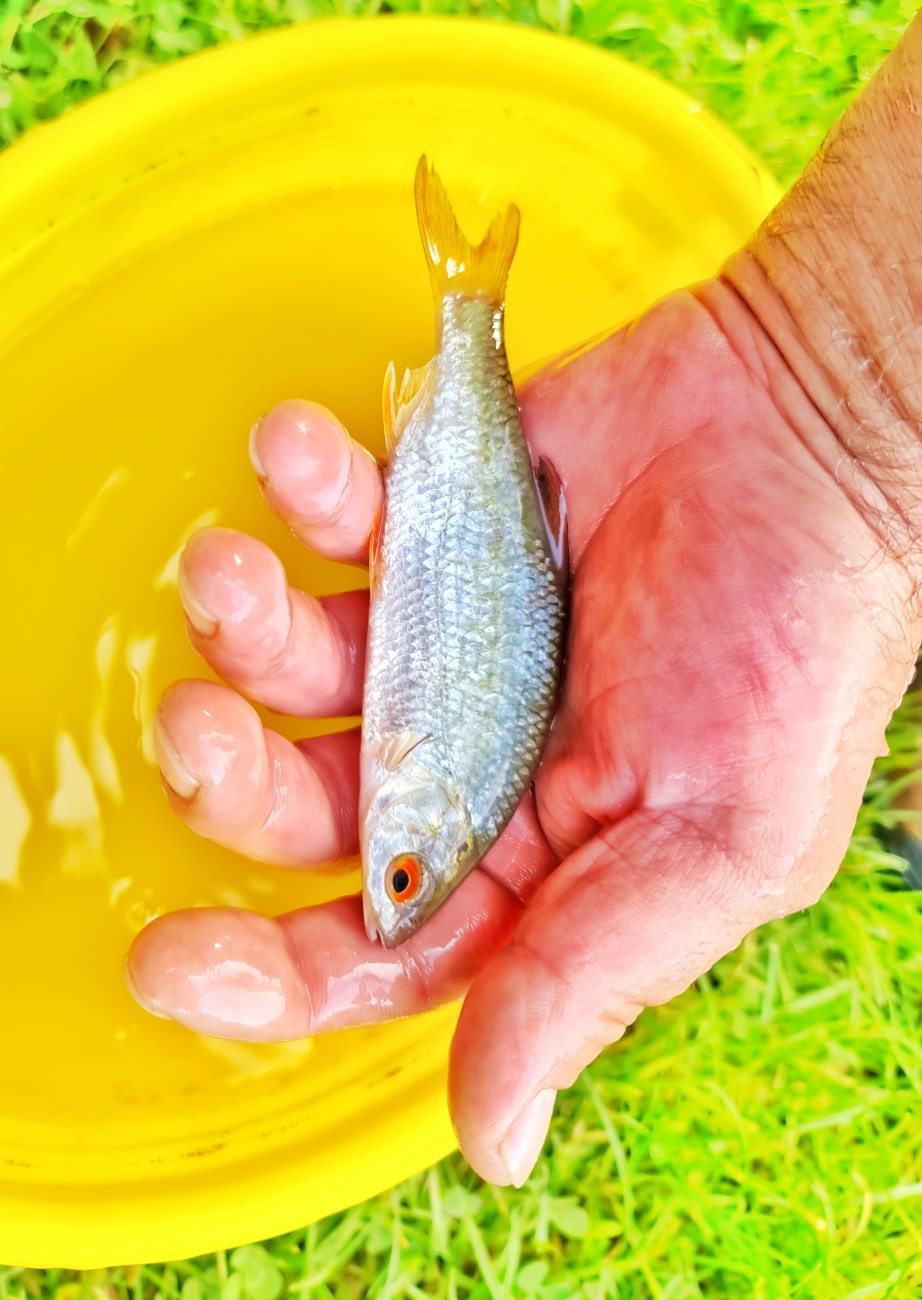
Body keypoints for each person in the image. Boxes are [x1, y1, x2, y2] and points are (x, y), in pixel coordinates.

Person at [124, 13, 922, 1188]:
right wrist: (850, 400)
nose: (386, 876)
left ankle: (468, 303)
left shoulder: (459, 783)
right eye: (403, 874)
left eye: (402, 880)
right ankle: (471, 306)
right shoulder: (447, 779)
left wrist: (854, 427)